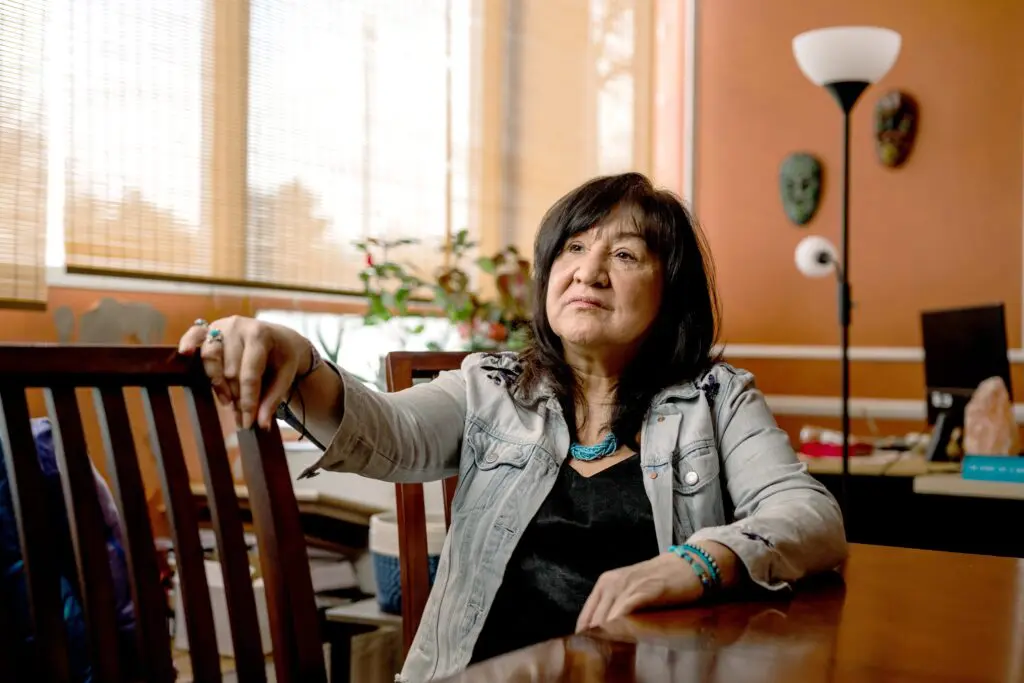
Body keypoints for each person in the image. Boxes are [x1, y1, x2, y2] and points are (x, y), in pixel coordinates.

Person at [178, 172, 847, 682]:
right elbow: (386, 433)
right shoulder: (491, 385)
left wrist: (697, 561)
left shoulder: (715, 397)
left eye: (626, 255)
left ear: (670, 289)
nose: (588, 270)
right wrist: (295, 359)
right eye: (574, 247)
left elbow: (811, 514)